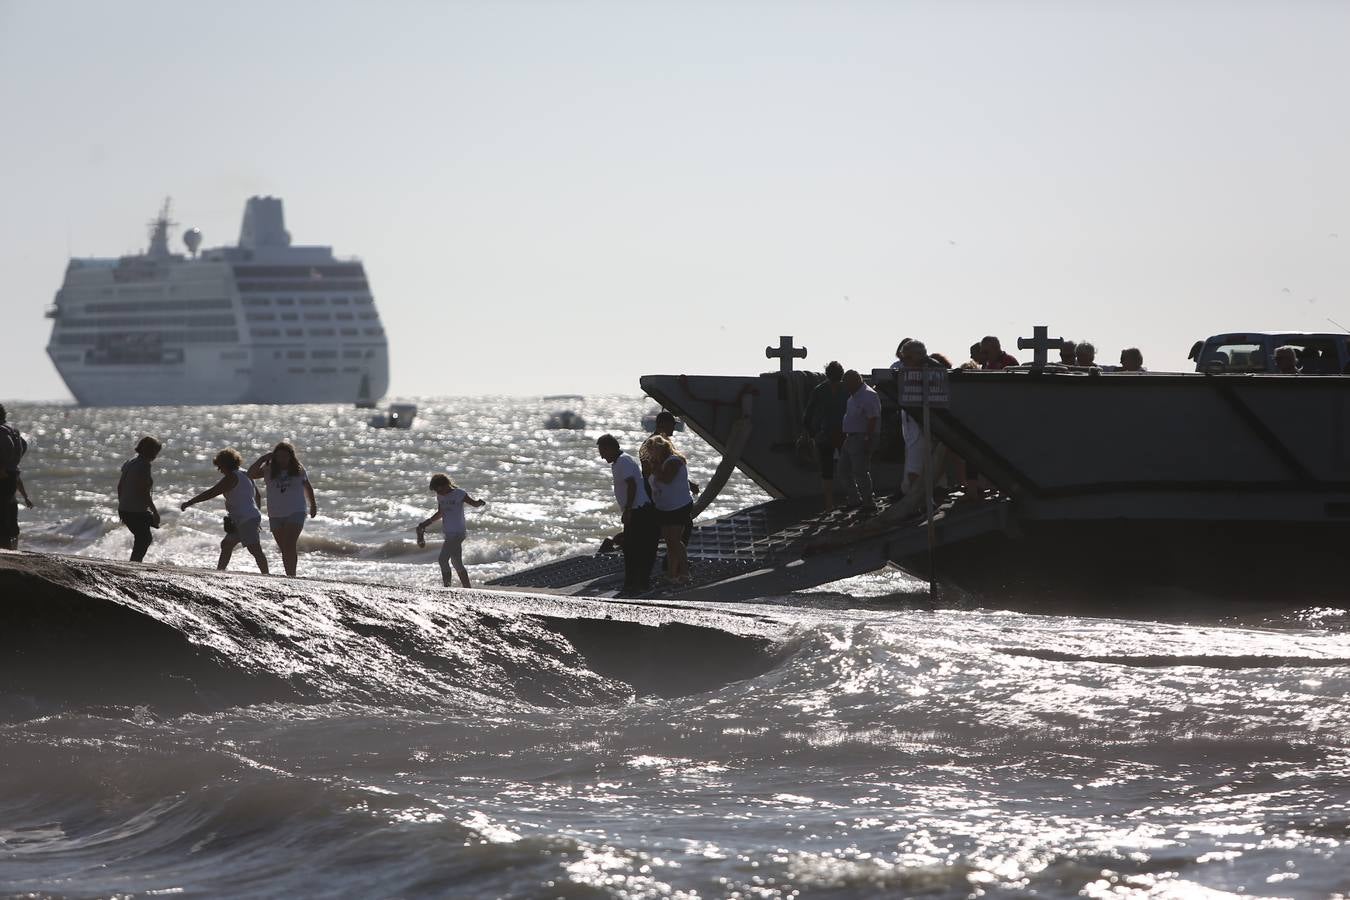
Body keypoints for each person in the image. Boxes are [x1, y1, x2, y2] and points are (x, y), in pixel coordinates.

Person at [181, 448, 269, 574]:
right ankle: (220, 571)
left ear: (226, 465)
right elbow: (258, 496)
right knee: (227, 544)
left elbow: (212, 492)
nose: (219, 470)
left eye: (220, 466)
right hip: (246, 517)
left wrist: (190, 502)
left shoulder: (231, 477)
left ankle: (266, 574)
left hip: (246, 518)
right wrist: (256, 514)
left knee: (254, 549)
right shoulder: (245, 474)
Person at [597, 434, 658, 594]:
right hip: (636, 509)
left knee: (635, 549)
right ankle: (633, 583)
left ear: (610, 448)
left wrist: (629, 509)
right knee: (631, 549)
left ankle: (637, 584)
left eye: (603, 451)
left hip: (638, 510)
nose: (601, 456)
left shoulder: (623, 461)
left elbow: (632, 484)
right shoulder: (618, 461)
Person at [247, 441, 318, 578]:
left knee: (289, 544)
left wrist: (313, 505)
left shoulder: (298, 469)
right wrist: (262, 459)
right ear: (274, 457)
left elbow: (308, 487)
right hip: (275, 514)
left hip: (296, 511)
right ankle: (289, 576)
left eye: (285, 456)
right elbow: (249, 474)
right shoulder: (268, 470)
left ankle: (292, 576)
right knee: (284, 548)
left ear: (291, 457)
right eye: (279, 456)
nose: (282, 460)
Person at [416, 473, 486, 588]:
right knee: (456, 563)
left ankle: (447, 588)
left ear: (445, 485)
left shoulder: (459, 494)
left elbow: (473, 503)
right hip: (449, 534)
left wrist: (480, 502)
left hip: (458, 532)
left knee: (442, 560)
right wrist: (425, 523)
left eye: (439, 490)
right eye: (436, 491)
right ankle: (468, 588)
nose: (438, 493)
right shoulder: (440, 496)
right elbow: (440, 513)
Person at [800, 360, 848, 511]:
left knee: (827, 471)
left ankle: (829, 504)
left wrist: (813, 434)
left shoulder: (819, 390)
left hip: (824, 434)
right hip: (844, 434)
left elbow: (807, 415)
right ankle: (852, 497)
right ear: (842, 374)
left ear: (827, 375)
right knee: (848, 468)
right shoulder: (847, 390)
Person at [646, 434, 693, 584]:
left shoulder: (674, 461)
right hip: (664, 507)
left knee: (675, 540)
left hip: (678, 506)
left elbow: (667, 479)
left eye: (651, 450)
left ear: (659, 449)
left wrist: (653, 469)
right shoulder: (660, 463)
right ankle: (672, 574)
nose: (649, 454)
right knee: (669, 541)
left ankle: (685, 572)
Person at [836, 369, 881, 514]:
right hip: (851, 437)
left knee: (860, 471)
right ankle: (854, 499)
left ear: (855, 382)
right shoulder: (853, 395)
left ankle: (868, 502)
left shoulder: (868, 395)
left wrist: (868, 439)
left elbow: (873, 418)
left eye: (847, 383)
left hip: (862, 437)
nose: (845, 386)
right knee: (843, 469)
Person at [116, 436, 162, 562]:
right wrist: (155, 512)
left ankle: (134, 562)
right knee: (144, 539)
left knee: (142, 537)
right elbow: (144, 492)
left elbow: (120, 486)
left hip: (125, 509)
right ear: (151, 451)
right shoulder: (144, 465)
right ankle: (135, 563)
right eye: (156, 452)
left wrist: (123, 504)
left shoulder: (129, 462)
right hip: (134, 510)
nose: (156, 455)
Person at [0, 404, 32, 551]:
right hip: (12, 476)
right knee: (10, 511)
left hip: (4, 476)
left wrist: (2, 467)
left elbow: (6, 446)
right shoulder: (13, 431)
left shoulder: (2, 432)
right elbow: (22, 446)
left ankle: (6, 547)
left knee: (4, 513)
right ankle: (12, 547)